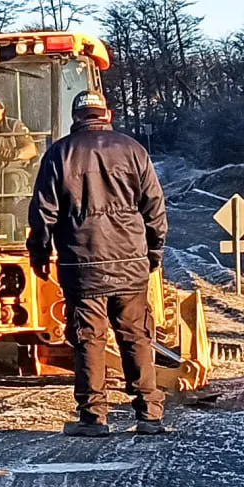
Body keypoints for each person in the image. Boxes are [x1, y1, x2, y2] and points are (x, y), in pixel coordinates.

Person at [27, 91, 169, 437]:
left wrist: (40, 255)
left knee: (89, 337)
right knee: (136, 335)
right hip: (131, 262)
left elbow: (43, 213)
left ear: (76, 118)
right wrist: (153, 254)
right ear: (108, 114)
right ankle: (149, 415)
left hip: (81, 264)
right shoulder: (134, 150)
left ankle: (93, 418)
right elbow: (155, 209)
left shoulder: (59, 153)